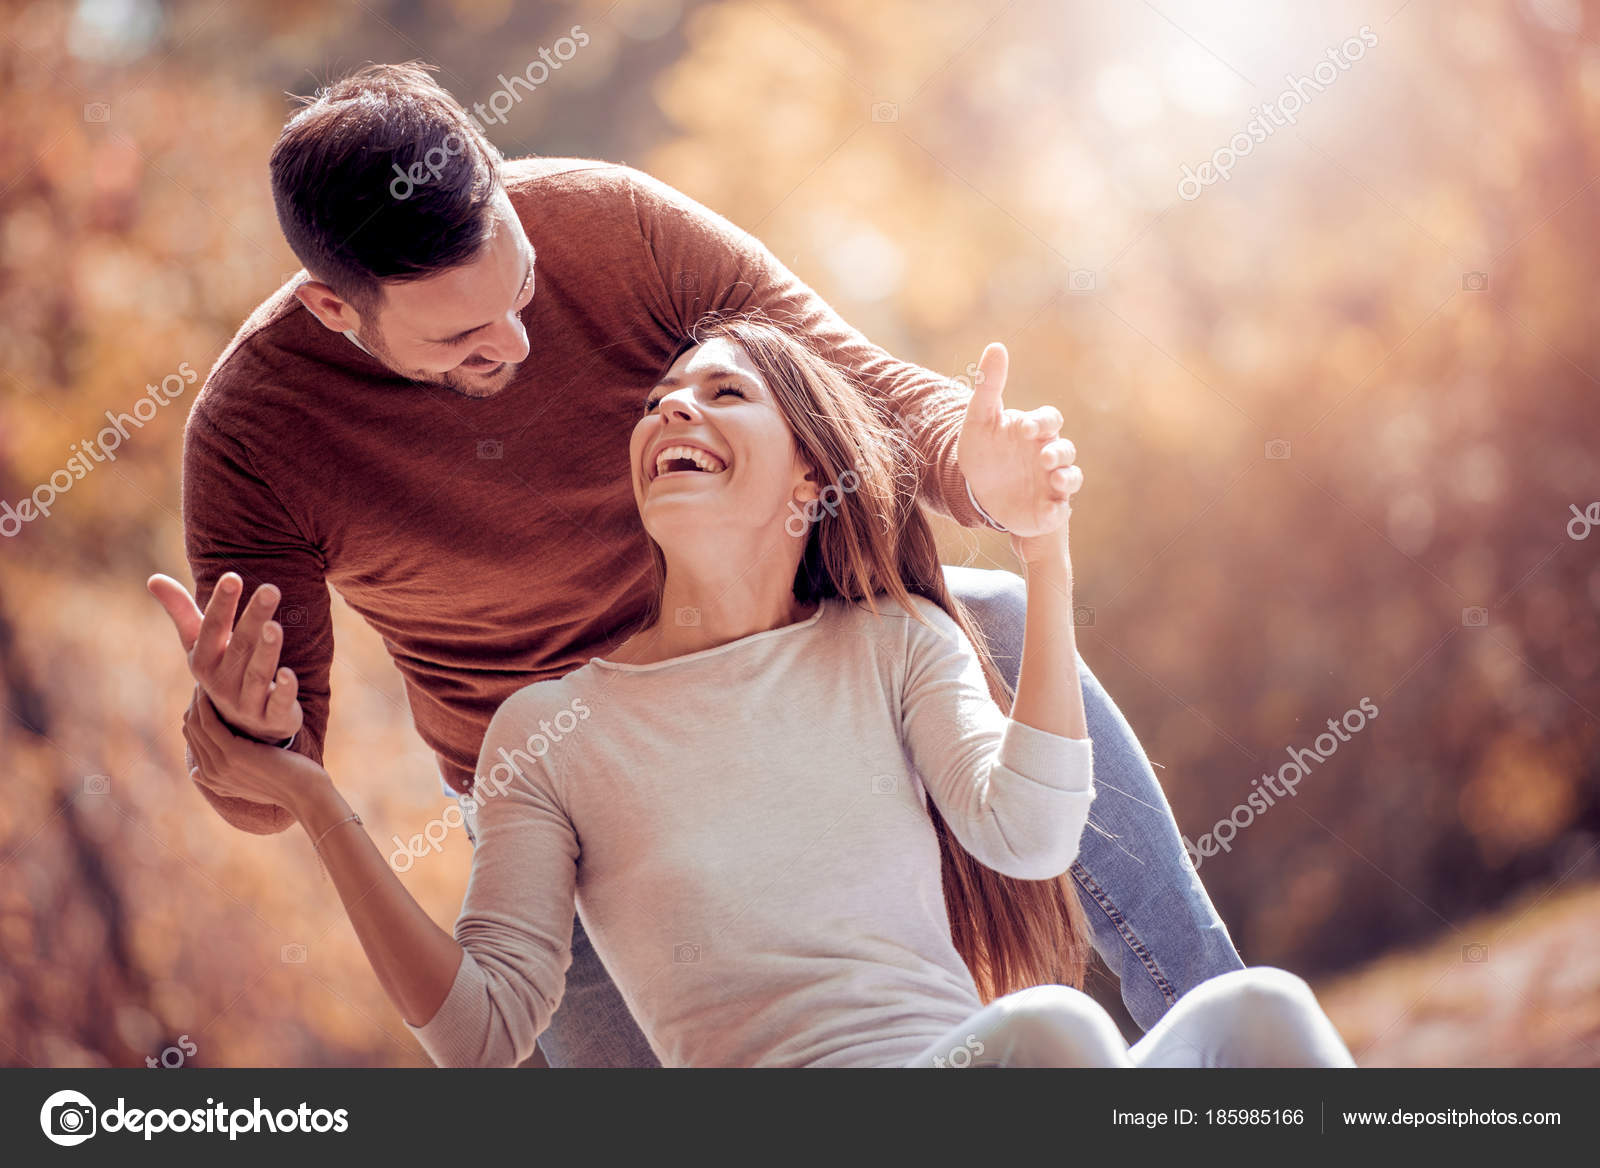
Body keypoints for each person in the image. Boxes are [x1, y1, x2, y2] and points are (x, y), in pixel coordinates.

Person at [149, 62, 1242, 1067]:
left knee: (992, 612)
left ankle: (1229, 1046)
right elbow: (263, 777)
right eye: (462, 344)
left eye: (517, 290)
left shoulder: (615, 224)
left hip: (779, 674)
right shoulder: (256, 433)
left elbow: (853, 392)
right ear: (336, 311)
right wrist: (246, 730)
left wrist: (981, 469)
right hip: (558, 777)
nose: (515, 345)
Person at [182, 316, 1352, 1068]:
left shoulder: (893, 643)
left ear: (808, 473)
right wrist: (313, 799)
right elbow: (483, 1031)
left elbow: (1035, 833)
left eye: (720, 395)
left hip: (996, 1067)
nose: (670, 410)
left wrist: (1044, 551)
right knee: (1051, 1035)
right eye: (657, 405)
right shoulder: (548, 732)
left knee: (1261, 1011)